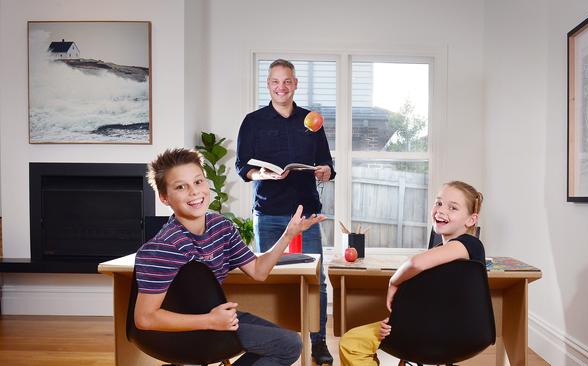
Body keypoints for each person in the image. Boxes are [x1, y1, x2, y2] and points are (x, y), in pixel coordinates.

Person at [134, 148, 326, 366]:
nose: (194, 192)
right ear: (165, 198)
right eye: (181, 187)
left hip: (216, 317)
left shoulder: (221, 227)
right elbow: (145, 318)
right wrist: (210, 321)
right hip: (181, 330)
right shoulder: (164, 247)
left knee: (289, 342)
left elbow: (258, 271)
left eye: (198, 182)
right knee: (287, 345)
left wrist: (288, 235)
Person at [236, 59, 335, 364]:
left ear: (295, 84)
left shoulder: (312, 121)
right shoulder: (253, 121)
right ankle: (276, 339)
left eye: (287, 81)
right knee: (271, 279)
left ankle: (318, 343)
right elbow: (243, 168)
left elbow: (328, 165)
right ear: (268, 85)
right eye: (275, 81)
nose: (281, 87)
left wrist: (325, 171)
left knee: (315, 279)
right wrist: (264, 175)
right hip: (269, 213)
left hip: (305, 214)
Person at [338, 181, 486, 366]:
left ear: (471, 220)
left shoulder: (470, 244)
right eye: (438, 203)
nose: (441, 210)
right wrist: (397, 321)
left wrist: (393, 282)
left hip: (447, 332)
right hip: (428, 326)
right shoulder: (440, 252)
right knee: (357, 341)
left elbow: (415, 263)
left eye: (453, 208)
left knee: (351, 344)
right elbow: (425, 300)